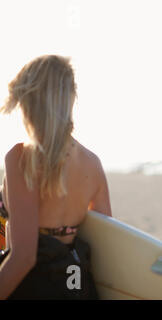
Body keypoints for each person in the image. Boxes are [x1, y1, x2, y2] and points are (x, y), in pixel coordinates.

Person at [0, 55, 112, 299]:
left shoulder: (21, 157)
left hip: (34, 284)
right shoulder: (92, 162)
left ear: (30, 103)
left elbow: (23, 257)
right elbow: (105, 240)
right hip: (76, 281)